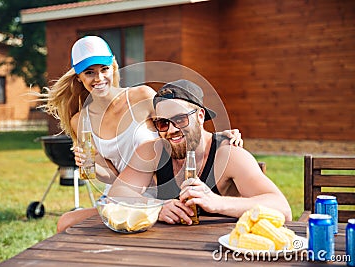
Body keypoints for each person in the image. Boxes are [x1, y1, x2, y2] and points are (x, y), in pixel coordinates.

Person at [40, 36, 243, 232]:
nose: (99, 78)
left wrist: (213, 136)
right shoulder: (80, 120)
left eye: (104, 69)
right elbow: (111, 176)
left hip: (160, 193)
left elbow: (175, 123)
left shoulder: (141, 96)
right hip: (124, 195)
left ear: (114, 68)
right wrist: (91, 164)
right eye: (89, 72)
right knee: (66, 222)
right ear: (79, 77)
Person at [109, 79, 292, 225]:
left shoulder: (228, 155)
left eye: (180, 119)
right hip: (166, 250)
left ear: (200, 116)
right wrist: (156, 207)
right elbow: (115, 196)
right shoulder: (153, 151)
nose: (171, 130)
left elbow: (282, 208)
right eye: (163, 123)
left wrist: (217, 202)